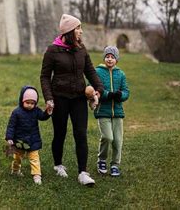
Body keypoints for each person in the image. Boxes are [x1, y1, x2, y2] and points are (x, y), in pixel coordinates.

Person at [40, 14, 103, 186]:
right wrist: (49, 98)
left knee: (81, 134)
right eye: (78, 28)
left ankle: (83, 172)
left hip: (78, 98)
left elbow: (91, 72)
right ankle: (58, 164)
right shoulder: (52, 50)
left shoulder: (81, 49)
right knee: (60, 133)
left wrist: (98, 90)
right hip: (59, 98)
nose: (81, 31)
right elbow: (45, 77)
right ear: (69, 31)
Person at [5, 86, 53, 185]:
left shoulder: (36, 111)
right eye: (27, 103)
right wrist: (9, 137)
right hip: (19, 140)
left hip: (33, 139)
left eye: (32, 103)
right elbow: (11, 126)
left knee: (34, 158)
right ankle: (15, 170)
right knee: (17, 157)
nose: (30, 105)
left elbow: (42, 117)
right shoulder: (16, 112)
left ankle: (37, 175)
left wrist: (47, 113)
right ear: (22, 100)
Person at [94, 46, 130, 177]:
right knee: (108, 137)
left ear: (116, 60)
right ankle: (101, 160)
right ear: (104, 58)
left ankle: (115, 164)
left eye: (112, 57)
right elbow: (93, 89)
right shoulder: (97, 71)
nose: (109, 59)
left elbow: (126, 91)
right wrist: (107, 95)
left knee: (118, 140)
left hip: (118, 112)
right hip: (103, 110)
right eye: (107, 56)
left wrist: (121, 95)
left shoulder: (121, 74)